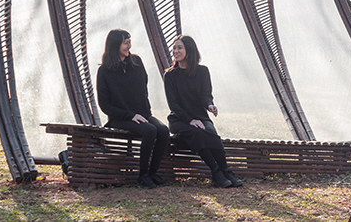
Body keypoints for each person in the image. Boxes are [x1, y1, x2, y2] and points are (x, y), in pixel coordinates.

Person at [164, 34, 243, 188]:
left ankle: (225, 172)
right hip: (179, 120)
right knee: (198, 133)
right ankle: (216, 172)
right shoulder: (170, 75)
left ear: (190, 50)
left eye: (180, 48)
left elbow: (205, 96)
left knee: (211, 132)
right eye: (174, 48)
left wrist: (210, 106)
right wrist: (190, 121)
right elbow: (174, 105)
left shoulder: (202, 71)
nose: (176, 51)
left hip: (200, 117)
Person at [96, 29, 170, 189]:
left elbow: (144, 86)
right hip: (120, 118)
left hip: (142, 115)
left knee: (163, 131)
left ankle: (153, 173)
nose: (129, 45)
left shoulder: (136, 62)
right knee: (149, 131)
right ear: (115, 45)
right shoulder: (104, 71)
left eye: (129, 41)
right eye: (125, 42)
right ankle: (143, 176)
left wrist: (143, 111)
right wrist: (130, 115)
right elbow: (105, 105)